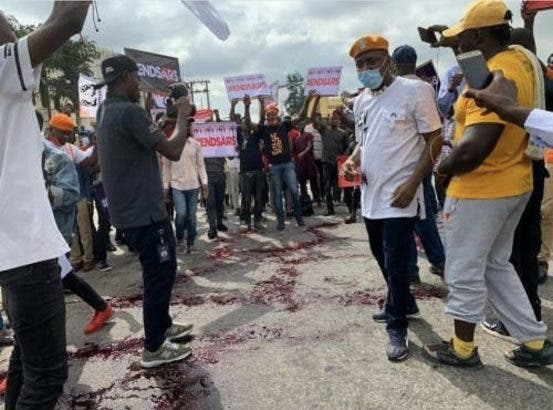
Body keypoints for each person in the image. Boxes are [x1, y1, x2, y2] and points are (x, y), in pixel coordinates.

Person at [424, 0, 553, 369]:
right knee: (497, 265)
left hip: (481, 187)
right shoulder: (518, 60)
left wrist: (444, 168)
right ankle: (534, 340)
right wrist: (448, 40)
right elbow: (472, 58)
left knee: (464, 268)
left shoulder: (496, 75)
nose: (457, 46)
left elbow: (476, 147)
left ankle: (462, 348)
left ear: (479, 36)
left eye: (462, 39)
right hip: (514, 182)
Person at [0, 2, 91, 408]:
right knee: (47, 375)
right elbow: (69, 19)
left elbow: (18, 42)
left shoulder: (7, 71)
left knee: (27, 360)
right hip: (23, 245)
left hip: (15, 246)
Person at [342, 34, 443, 361]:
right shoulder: (361, 101)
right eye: (360, 64)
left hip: (401, 194)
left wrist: (414, 184)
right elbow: (365, 140)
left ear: (388, 61)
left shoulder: (416, 91)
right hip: (371, 195)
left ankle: (397, 325)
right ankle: (404, 302)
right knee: (379, 254)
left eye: (372, 61)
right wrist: (354, 159)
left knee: (396, 261)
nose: (367, 68)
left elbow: (434, 140)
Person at [95, 54, 194, 369]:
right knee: (160, 274)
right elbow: (174, 151)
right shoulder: (129, 112)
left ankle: (162, 326)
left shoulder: (105, 110)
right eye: (137, 77)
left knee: (159, 271)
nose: (139, 83)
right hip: (145, 213)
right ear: (125, 78)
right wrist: (182, 115)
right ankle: (153, 347)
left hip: (128, 213)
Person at [43, 141, 114, 335]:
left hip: (47, 235)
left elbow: (69, 195)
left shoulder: (55, 157)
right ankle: (101, 307)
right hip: (31, 239)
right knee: (65, 277)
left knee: (57, 280)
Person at [392, 45, 447, 281]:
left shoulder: (402, 90)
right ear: (414, 63)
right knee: (419, 215)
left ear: (394, 64)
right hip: (421, 161)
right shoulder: (426, 88)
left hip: (408, 162)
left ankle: (434, 262)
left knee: (416, 218)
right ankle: (424, 265)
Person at [245, 93, 313, 231]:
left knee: (294, 190)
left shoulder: (284, 125)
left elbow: (301, 115)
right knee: (276, 194)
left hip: (287, 164)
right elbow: (247, 123)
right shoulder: (263, 129)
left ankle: (299, 218)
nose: (271, 118)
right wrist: (247, 107)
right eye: (268, 116)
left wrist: (307, 100)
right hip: (274, 166)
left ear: (277, 116)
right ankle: (280, 220)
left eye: (273, 115)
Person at [44, 113, 97, 272]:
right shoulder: (41, 148)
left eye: (69, 133)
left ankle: (86, 260)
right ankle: (72, 264)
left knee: (81, 229)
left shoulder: (69, 148)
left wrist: (97, 145)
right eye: (64, 132)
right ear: (52, 130)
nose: (67, 136)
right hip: (51, 205)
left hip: (74, 197)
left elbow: (89, 162)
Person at [162, 119, 208, 254]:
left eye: (190, 125)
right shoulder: (169, 145)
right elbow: (166, 168)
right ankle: (180, 239)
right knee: (181, 214)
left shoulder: (196, 145)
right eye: (185, 125)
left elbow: (201, 165)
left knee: (192, 217)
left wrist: (204, 183)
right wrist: (165, 187)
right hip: (177, 186)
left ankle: (191, 243)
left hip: (194, 186)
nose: (188, 127)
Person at [311, 99, 349, 216]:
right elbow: (313, 119)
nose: (333, 120)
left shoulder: (344, 133)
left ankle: (349, 207)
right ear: (329, 120)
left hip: (339, 164)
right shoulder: (324, 131)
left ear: (339, 121)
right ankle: (330, 209)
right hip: (326, 163)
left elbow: (348, 149)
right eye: (332, 118)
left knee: (342, 187)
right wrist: (315, 102)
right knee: (327, 187)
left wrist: (343, 157)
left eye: (336, 118)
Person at [233, 96, 265, 230]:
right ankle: (246, 221)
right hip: (245, 173)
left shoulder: (256, 134)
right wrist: (233, 106)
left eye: (247, 122)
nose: (245, 124)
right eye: (243, 123)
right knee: (245, 198)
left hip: (258, 171)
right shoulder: (239, 136)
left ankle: (257, 221)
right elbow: (231, 121)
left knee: (258, 198)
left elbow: (262, 120)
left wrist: (261, 103)